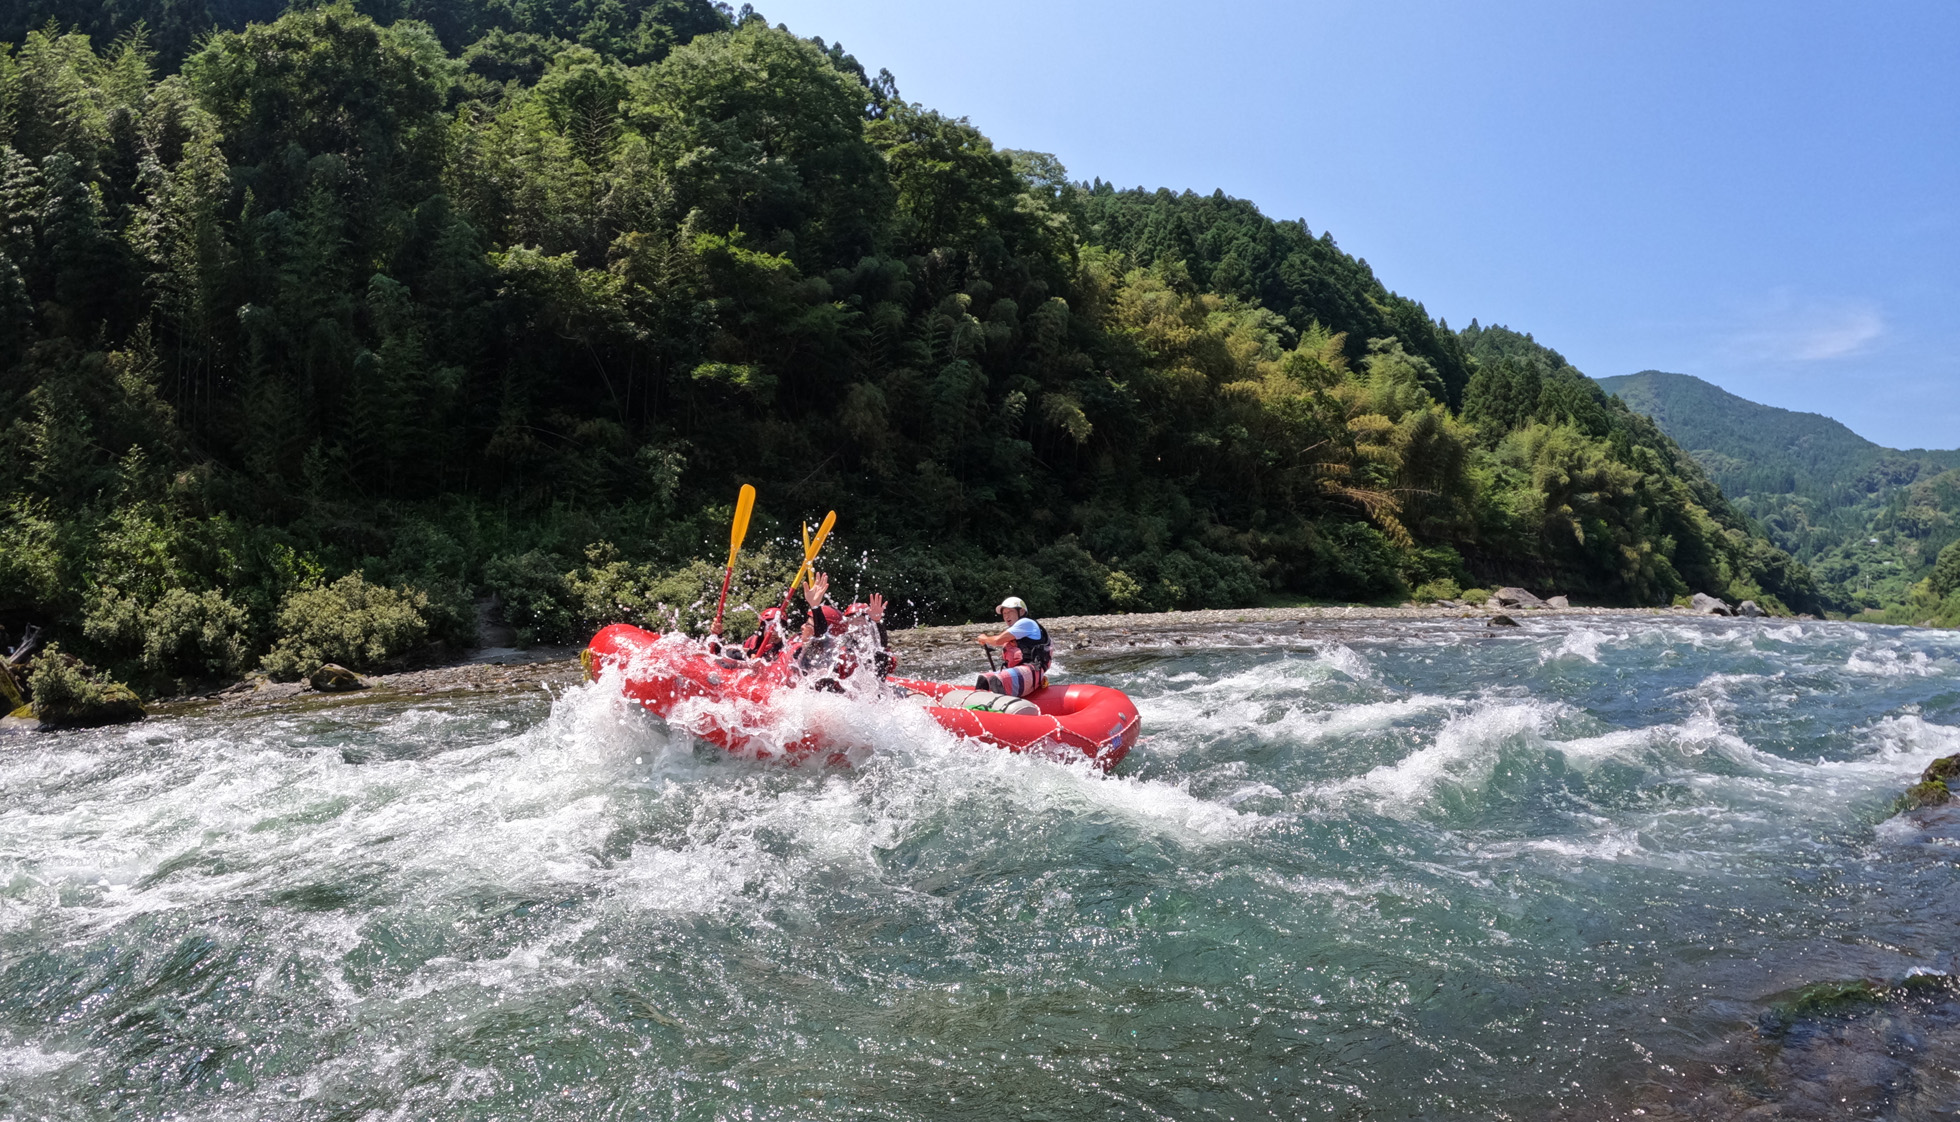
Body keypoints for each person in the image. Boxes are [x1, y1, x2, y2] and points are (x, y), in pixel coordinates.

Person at [973, 595, 1051, 696]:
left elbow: (997, 640)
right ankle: (978, 709)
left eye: (1010, 612)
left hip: (1032, 671)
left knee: (997, 680)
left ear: (1021, 612)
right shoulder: (1016, 631)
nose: (1006, 616)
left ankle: (999, 709)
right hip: (1020, 672)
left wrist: (985, 638)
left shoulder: (1026, 623)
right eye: (1004, 613)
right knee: (983, 679)